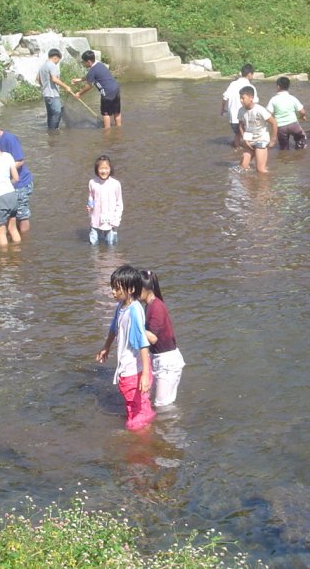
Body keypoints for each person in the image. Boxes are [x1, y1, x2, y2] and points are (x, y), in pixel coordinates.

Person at [96, 265, 155, 431]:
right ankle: (139, 429)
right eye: (112, 288)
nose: (113, 292)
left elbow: (143, 343)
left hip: (135, 370)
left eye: (117, 289)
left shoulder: (134, 310)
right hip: (127, 368)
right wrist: (106, 347)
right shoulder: (121, 305)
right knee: (132, 403)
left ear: (130, 289)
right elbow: (114, 328)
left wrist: (144, 374)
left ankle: (141, 437)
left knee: (139, 409)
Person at [139, 269, 185, 407]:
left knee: (163, 406)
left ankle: (171, 428)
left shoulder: (156, 307)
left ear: (144, 289)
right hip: (159, 359)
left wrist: (134, 326)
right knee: (158, 403)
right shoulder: (149, 305)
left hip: (167, 362)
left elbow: (152, 338)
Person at [72, 51, 121, 128]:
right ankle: (118, 129)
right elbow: (91, 77)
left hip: (107, 92)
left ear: (89, 61)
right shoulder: (99, 64)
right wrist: (79, 79)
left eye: (84, 62)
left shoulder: (92, 70)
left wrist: (79, 93)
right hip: (116, 89)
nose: (84, 64)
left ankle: (107, 133)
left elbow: (89, 86)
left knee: (106, 113)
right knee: (116, 112)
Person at [235, 86, 277, 174]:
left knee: (260, 170)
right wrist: (245, 139)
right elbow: (241, 125)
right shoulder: (241, 111)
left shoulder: (260, 110)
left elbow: (273, 123)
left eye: (243, 98)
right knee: (242, 167)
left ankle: (266, 185)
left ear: (251, 98)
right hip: (250, 140)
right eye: (240, 98)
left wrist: (273, 139)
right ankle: (251, 185)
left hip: (261, 139)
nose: (241, 100)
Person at [87, 155, 123, 246]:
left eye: (106, 168)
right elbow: (91, 197)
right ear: (97, 169)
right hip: (95, 220)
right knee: (93, 245)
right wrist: (89, 207)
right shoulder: (92, 182)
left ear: (110, 169)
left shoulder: (116, 184)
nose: (104, 171)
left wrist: (116, 220)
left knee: (111, 246)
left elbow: (119, 203)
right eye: (101, 168)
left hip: (111, 222)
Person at [266, 76, 307, 150]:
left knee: (283, 147)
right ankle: (299, 153)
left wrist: (272, 124)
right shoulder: (292, 98)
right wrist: (302, 116)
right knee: (301, 138)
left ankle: (284, 159)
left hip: (280, 126)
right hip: (293, 124)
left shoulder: (273, 99)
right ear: (288, 86)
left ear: (278, 87)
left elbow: (267, 114)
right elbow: (302, 111)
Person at [37, 48, 73, 131]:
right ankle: (54, 133)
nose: (57, 62)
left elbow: (38, 79)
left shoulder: (43, 66)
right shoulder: (52, 65)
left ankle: (50, 132)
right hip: (53, 95)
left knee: (50, 115)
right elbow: (54, 79)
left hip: (46, 95)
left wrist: (45, 86)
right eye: (58, 60)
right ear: (55, 57)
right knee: (57, 113)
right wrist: (66, 87)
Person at [221, 64, 257, 149]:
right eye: (252, 75)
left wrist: (222, 109)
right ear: (249, 74)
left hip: (233, 118)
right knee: (247, 136)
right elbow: (254, 102)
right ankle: (247, 152)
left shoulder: (233, 84)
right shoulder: (250, 87)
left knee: (237, 134)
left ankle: (236, 150)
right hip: (245, 117)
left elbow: (225, 98)